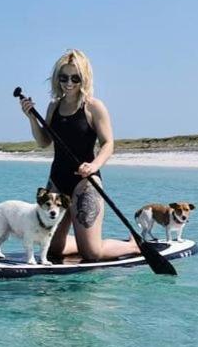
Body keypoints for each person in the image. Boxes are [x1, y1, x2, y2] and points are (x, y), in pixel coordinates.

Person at [19, 49, 140, 262]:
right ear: (57, 78)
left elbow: (108, 144)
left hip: (85, 183)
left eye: (75, 77)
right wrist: (31, 118)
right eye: (63, 77)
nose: (69, 83)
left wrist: (94, 166)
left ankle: (132, 245)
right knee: (53, 248)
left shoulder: (93, 107)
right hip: (57, 180)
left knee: (93, 254)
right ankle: (83, 240)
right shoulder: (53, 106)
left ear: (84, 78)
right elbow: (43, 142)